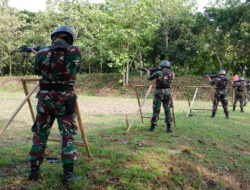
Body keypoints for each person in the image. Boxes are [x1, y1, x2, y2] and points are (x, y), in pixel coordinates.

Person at [28, 25, 82, 184]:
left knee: (40, 134)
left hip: (45, 99)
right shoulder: (75, 52)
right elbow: (76, 69)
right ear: (69, 38)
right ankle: (68, 175)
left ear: (54, 37)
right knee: (67, 135)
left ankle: (34, 172)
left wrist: (39, 53)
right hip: (65, 99)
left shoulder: (41, 53)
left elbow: (37, 70)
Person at [146, 60, 175, 133]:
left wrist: (148, 72)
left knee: (156, 110)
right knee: (167, 109)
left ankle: (152, 127)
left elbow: (149, 78)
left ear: (162, 66)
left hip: (159, 92)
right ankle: (169, 128)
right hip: (167, 92)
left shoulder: (159, 72)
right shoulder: (172, 74)